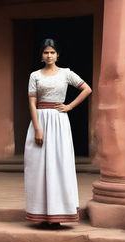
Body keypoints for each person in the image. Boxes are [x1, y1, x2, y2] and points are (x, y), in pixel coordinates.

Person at [24, 38, 92, 227]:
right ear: (41, 55)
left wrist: (69, 106)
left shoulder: (66, 73)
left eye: (52, 52)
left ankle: (58, 214)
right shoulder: (34, 75)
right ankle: (41, 214)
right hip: (40, 119)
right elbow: (31, 102)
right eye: (46, 52)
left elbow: (87, 89)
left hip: (59, 120)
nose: (49, 55)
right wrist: (37, 128)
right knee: (38, 167)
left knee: (59, 165)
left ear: (58, 55)